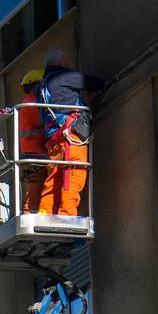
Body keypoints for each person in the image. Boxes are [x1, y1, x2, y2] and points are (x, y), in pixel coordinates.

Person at [37, 50, 103, 217]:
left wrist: (82, 102)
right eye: (67, 62)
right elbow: (95, 83)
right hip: (69, 137)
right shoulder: (62, 76)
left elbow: (60, 103)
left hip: (53, 139)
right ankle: (67, 215)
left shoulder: (42, 87)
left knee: (54, 179)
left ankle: (45, 214)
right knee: (72, 174)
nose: (69, 65)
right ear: (60, 63)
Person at [17, 67, 47, 214]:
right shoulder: (32, 102)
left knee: (33, 185)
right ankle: (31, 212)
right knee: (35, 184)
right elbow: (41, 121)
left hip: (30, 151)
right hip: (35, 151)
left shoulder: (26, 102)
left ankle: (30, 211)